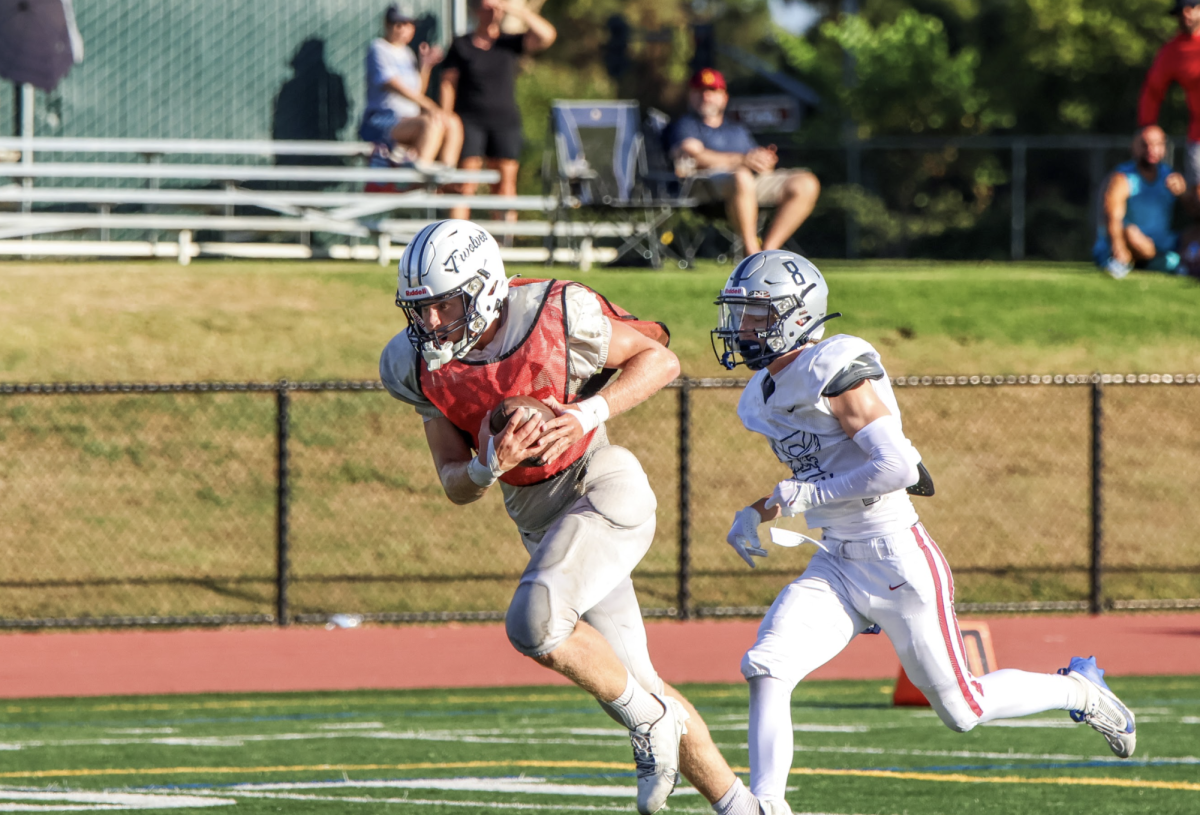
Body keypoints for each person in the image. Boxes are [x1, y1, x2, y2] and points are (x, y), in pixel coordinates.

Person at [712, 250, 1138, 815]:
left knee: (964, 709)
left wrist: (801, 498)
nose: (740, 328)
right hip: (836, 561)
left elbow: (898, 468)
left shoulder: (833, 365)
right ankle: (767, 804)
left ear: (795, 315)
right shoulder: (760, 396)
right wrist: (757, 511)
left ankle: (1080, 690)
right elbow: (817, 472)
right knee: (767, 665)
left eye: (755, 314)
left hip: (896, 561)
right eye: (739, 313)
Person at [380, 220, 762, 815]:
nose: (429, 323)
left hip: (601, 483)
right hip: (541, 520)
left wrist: (585, 413)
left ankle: (651, 723)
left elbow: (662, 360)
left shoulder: (556, 314)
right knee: (636, 679)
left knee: (534, 623)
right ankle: (745, 807)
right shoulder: (412, 363)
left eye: (444, 304)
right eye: (419, 308)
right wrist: (486, 468)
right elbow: (455, 483)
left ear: (483, 288)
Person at [665, 68, 820, 256]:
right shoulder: (685, 124)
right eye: (700, 91)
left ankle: (768, 252)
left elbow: (754, 161)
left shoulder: (737, 129)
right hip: (705, 186)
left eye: (713, 91)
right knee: (741, 176)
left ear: (724, 97)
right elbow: (693, 155)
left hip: (748, 185)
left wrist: (763, 161)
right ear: (691, 96)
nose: (706, 96)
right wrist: (742, 160)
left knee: (806, 183)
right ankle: (751, 252)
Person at [440, 0, 556, 222]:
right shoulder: (462, 44)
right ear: (476, 10)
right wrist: (447, 117)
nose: (493, 11)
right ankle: (456, 238)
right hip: (470, 121)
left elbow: (547, 35)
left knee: (505, 184)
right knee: (465, 183)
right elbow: (448, 83)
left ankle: (504, 242)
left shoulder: (508, 43)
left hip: (505, 122)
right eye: (488, 6)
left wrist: (517, 9)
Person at [358, 4, 462, 167]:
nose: (403, 30)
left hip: (408, 119)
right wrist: (429, 105)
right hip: (383, 120)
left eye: (408, 25)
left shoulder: (407, 54)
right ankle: (413, 180)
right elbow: (393, 85)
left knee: (452, 122)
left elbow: (416, 92)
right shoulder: (378, 48)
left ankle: (445, 176)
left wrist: (425, 66)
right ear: (387, 25)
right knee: (430, 123)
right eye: (398, 24)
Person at [1093, 125, 1186, 279]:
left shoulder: (1170, 176)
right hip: (1130, 243)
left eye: (1157, 144)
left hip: (1161, 244)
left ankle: (1161, 262)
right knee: (1131, 233)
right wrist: (1118, 248)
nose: (1151, 149)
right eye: (1145, 144)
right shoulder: (1122, 178)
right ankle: (1142, 263)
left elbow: (1193, 209)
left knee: (1193, 235)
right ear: (1133, 147)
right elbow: (1112, 217)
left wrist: (1185, 193)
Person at [1138, 0, 1200, 207]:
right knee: (1196, 198)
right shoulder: (1174, 51)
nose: (1186, 15)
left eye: (1191, 8)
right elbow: (1153, 91)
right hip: (1198, 135)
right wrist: (1148, 125)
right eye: (1180, 11)